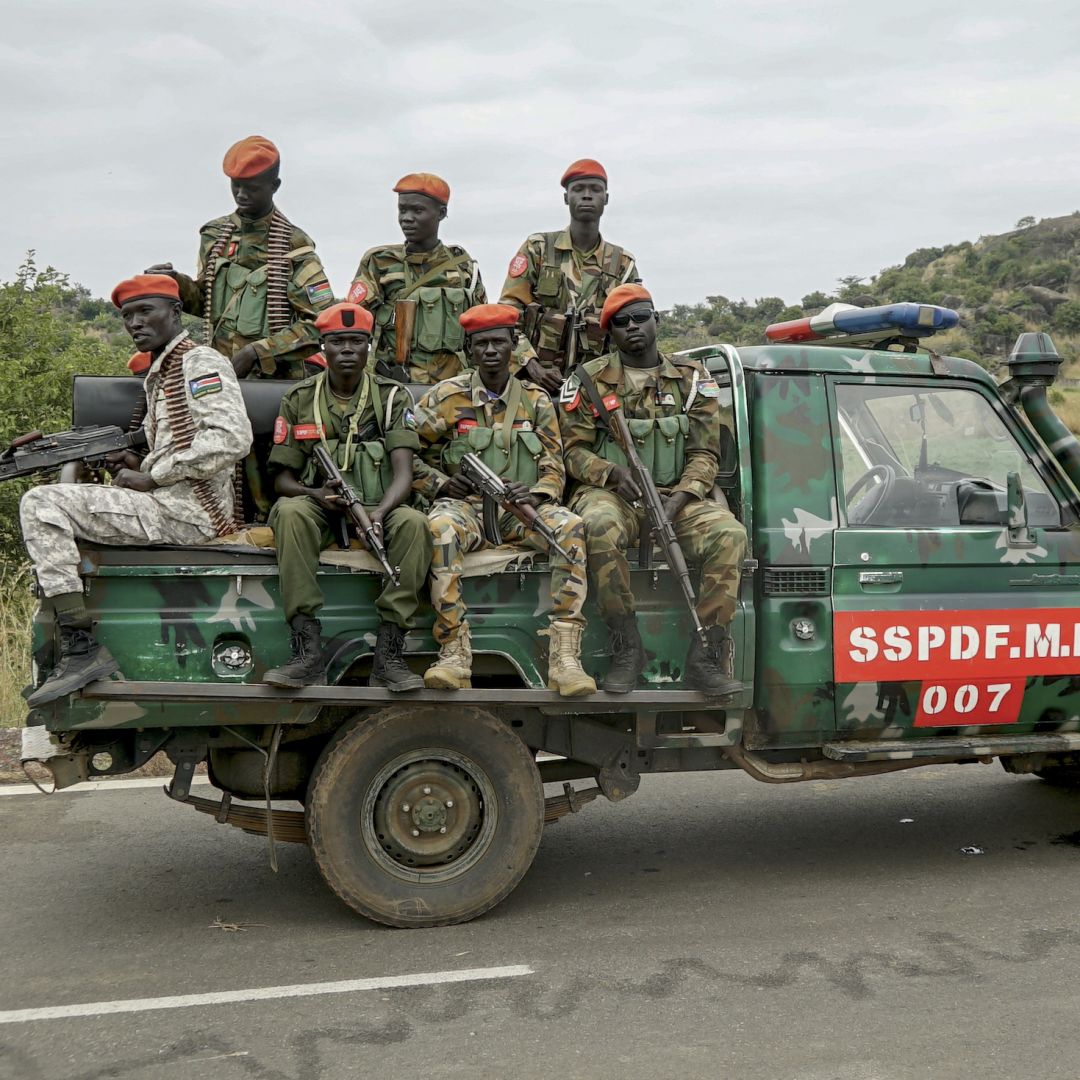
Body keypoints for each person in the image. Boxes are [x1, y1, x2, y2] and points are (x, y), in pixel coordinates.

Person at [20, 275, 253, 707]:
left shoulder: (198, 362)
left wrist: (154, 474)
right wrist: (139, 465)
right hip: (170, 503)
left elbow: (231, 438)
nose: (135, 323)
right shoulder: (163, 371)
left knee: (42, 504)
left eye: (146, 311)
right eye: (127, 316)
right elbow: (183, 446)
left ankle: (80, 648)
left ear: (175, 313)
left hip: (189, 515)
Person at [558, 285, 747, 695]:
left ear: (656, 320)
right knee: (599, 525)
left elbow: (704, 452)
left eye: (640, 317)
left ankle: (706, 654)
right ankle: (627, 646)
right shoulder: (588, 380)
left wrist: (681, 495)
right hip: (615, 494)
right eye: (620, 324)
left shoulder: (692, 379)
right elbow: (571, 451)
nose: (632, 328)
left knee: (729, 534)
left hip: (675, 497)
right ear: (611, 334)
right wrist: (611, 474)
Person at [408, 304, 595, 697]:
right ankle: (453, 652)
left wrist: (539, 492)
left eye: (498, 342)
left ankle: (564, 656)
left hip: (518, 510)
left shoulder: (536, 401)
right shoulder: (447, 396)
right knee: (439, 529)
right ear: (469, 349)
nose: (491, 350)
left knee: (570, 527)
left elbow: (554, 465)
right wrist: (440, 484)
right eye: (481, 344)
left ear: (514, 346)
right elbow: (405, 451)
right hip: (466, 509)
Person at [264, 302, 432, 691]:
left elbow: (404, 473)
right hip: (322, 507)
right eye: (337, 341)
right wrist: (314, 494)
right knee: (289, 512)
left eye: (356, 342)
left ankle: (389, 654)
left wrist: (380, 512)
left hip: (379, 505)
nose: (346, 350)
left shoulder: (392, 397)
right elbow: (282, 479)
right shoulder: (300, 398)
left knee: (414, 523)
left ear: (369, 347)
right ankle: (306, 651)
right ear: (323, 347)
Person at [147, 135, 333, 380]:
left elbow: (322, 323)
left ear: (275, 186)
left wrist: (258, 352)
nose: (241, 195)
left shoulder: (294, 245)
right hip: (220, 376)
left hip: (274, 381)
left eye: (252, 188)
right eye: (236, 185)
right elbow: (207, 303)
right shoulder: (214, 235)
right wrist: (175, 284)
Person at [500, 159, 641, 396]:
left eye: (595, 190)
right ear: (566, 198)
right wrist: (531, 366)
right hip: (534, 388)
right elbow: (507, 316)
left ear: (606, 198)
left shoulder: (622, 264)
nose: (587, 196)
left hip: (596, 390)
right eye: (578, 189)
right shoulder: (539, 249)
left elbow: (633, 327)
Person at [347, 173, 486, 384]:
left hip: (453, 386)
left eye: (418, 210)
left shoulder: (463, 268)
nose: (407, 218)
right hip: (392, 383)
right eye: (402, 210)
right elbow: (353, 323)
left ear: (441, 213)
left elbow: (482, 327)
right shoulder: (380, 261)